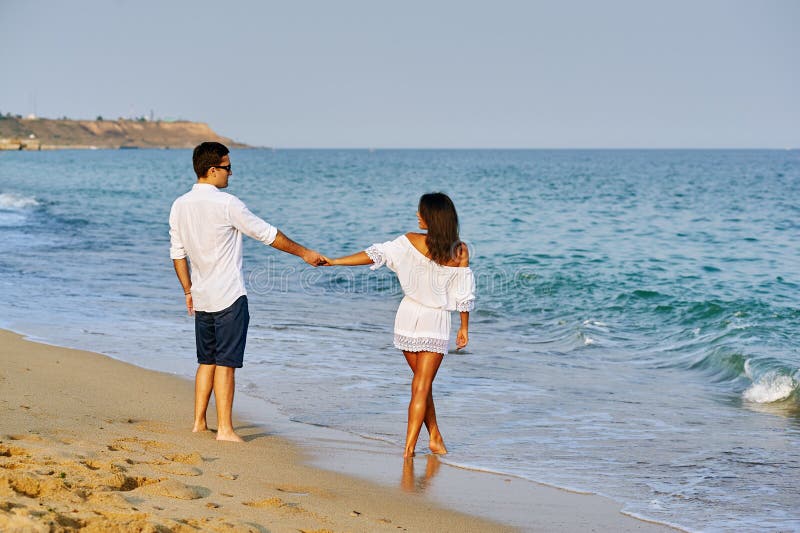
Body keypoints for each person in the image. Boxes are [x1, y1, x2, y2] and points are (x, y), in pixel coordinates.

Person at [169, 141, 326, 442]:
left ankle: (199, 423)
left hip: (201, 296)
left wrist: (188, 290)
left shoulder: (180, 205)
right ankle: (225, 429)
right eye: (227, 168)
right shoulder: (227, 204)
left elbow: (177, 253)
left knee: (206, 361)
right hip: (229, 297)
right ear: (212, 170)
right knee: (226, 364)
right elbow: (268, 235)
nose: (231, 173)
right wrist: (305, 253)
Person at [325, 192, 475, 457]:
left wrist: (336, 261)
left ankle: (435, 437)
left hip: (408, 316)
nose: (417, 215)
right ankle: (409, 450)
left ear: (432, 216)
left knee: (420, 384)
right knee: (422, 385)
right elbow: (464, 293)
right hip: (434, 320)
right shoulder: (460, 250)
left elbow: (375, 255)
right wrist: (464, 327)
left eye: (421, 211)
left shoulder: (409, 241)